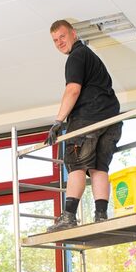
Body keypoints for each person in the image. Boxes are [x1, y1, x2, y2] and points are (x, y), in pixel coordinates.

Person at [45, 19, 122, 232]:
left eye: (62, 36)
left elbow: (73, 90)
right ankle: (101, 216)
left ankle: (69, 216)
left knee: (77, 166)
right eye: (55, 40)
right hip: (110, 120)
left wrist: (58, 121)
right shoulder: (91, 58)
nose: (59, 42)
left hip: (87, 118)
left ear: (74, 34)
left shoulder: (77, 56)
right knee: (99, 167)